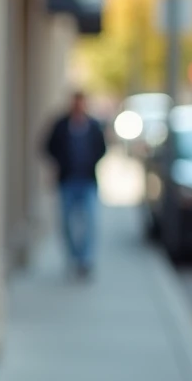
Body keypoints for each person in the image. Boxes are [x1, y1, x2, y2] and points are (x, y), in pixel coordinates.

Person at [44, 91, 107, 278]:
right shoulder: (61, 125)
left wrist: (91, 162)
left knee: (90, 222)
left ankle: (84, 260)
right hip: (67, 181)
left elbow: (102, 148)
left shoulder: (93, 126)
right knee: (66, 223)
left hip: (87, 181)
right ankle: (73, 256)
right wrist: (59, 163)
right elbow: (48, 146)